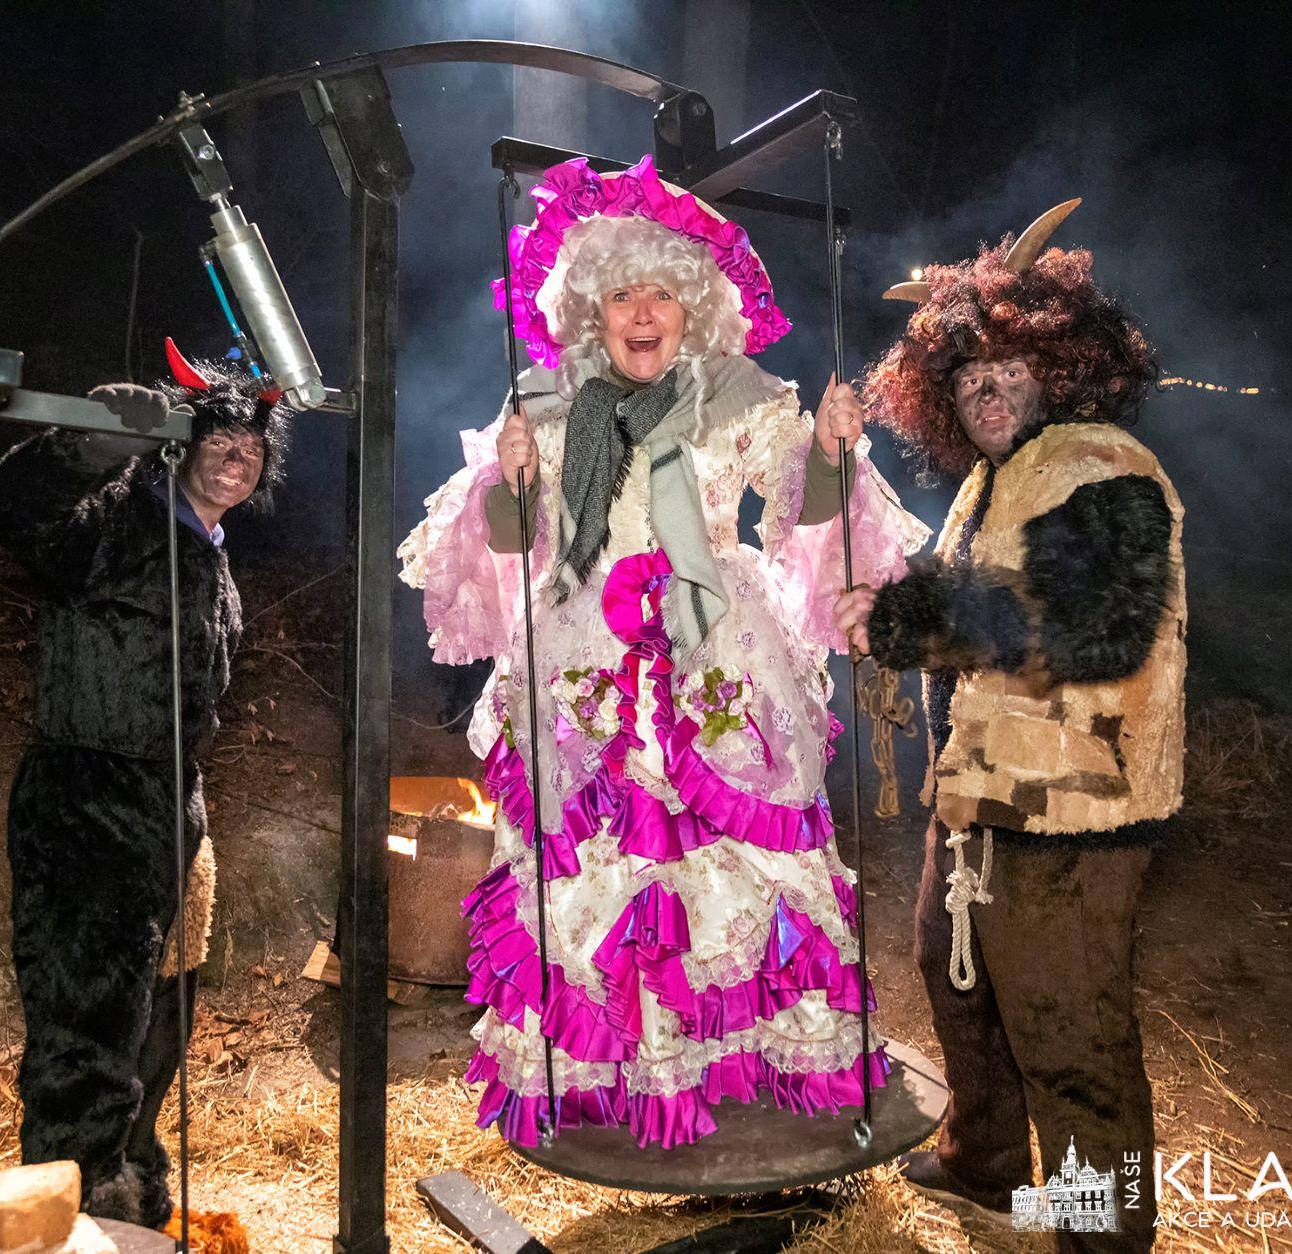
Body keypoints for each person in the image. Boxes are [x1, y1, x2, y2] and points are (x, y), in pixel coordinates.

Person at [399, 155, 931, 1149]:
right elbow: (515, 544)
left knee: (740, 855)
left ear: (694, 308)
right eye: (620, 298)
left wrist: (826, 451)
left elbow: (802, 512)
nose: (641, 314)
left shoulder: (742, 396)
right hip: (586, 651)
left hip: (717, 648)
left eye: (661, 296)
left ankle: (752, 1056)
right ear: (590, 312)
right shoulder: (546, 404)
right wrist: (511, 486)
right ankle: (610, 1071)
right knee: (595, 862)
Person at [835, 209, 1181, 1252]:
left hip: (1076, 815)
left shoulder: (1100, 463)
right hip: (979, 796)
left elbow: (1093, 625)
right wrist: (886, 598)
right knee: (956, 980)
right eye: (968, 380)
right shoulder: (997, 476)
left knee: (1069, 1037)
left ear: (1063, 369)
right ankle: (984, 1167)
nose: (986, 393)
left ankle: (1100, 1234)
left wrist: (912, 620)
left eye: (1010, 372)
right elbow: (962, 586)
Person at [0, 343, 289, 1227]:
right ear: (182, 447)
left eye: (251, 448)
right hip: (87, 797)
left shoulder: (215, 562)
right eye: (219, 439)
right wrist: (89, 440)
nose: (235, 457)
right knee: (86, 1014)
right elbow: (16, 503)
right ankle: (73, 1197)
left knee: (163, 1004)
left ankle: (133, 1168)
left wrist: (190, 810)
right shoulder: (118, 522)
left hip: (170, 808)